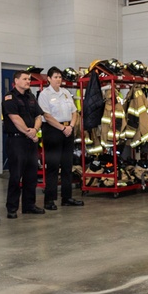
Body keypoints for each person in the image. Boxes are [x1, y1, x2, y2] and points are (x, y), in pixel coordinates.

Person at [39, 67, 84, 210]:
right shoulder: (44, 94)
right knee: (53, 167)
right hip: (53, 131)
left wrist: (70, 126)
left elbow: (74, 112)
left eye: (60, 77)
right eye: (56, 77)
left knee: (67, 166)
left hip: (68, 130)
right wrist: (62, 128)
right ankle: (50, 200)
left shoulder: (65, 93)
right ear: (49, 79)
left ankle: (67, 197)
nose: (59, 79)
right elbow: (46, 116)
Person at [2, 70, 46, 218]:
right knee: (16, 175)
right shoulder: (10, 97)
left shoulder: (31, 96)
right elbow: (15, 118)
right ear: (16, 81)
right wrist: (29, 132)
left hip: (30, 140)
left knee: (31, 175)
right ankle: (12, 208)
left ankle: (29, 205)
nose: (28, 81)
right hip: (17, 141)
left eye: (29, 79)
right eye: (25, 79)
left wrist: (34, 129)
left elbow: (39, 116)